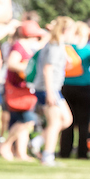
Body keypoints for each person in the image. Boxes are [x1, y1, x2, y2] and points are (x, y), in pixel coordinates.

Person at [0, 20, 46, 162]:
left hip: (25, 90)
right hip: (17, 90)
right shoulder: (18, 47)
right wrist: (29, 69)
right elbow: (12, 64)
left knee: (24, 121)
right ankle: (6, 145)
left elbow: (46, 37)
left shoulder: (28, 46)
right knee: (28, 121)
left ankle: (21, 153)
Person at [33, 16, 74, 166]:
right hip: (48, 88)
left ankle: (37, 141)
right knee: (55, 122)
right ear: (66, 30)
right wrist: (50, 92)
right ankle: (47, 156)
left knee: (67, 119)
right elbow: (47, 69)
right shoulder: (54, 46)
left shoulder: (58, 46)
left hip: (53, 88)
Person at [59, 22, 90, 160]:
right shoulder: (89, 49)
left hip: (66, 86)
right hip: (84, 88)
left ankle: (65, 151)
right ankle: (82, 153)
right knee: (83, 123)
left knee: (67, 122)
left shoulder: (64, 48)